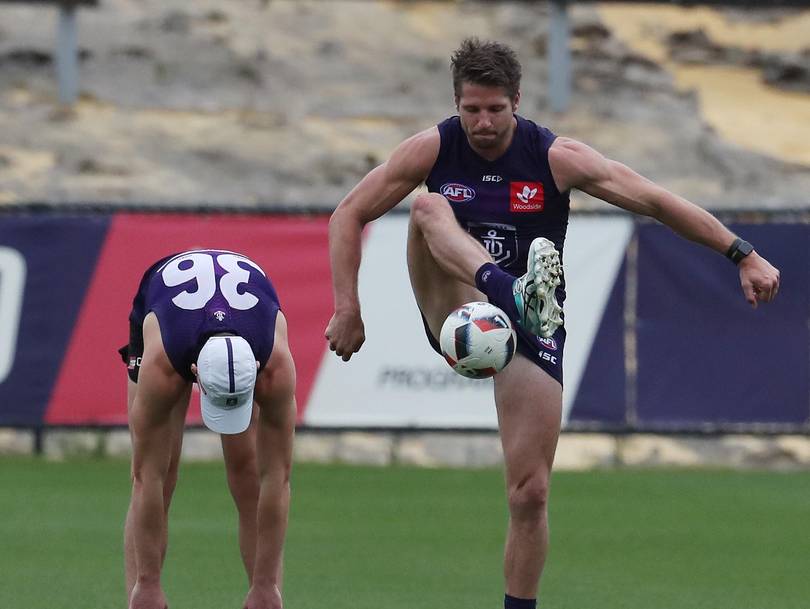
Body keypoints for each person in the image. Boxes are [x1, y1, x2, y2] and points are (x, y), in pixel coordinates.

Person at [324, 38, 780, 609]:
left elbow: (655, 201)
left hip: (530, 323)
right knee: (426, 207)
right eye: (471, 110)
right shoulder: (432, 150)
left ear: (517, 100)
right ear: (456, 104)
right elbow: (348, 213)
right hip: (457, 304)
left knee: (531, 493)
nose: (484, 122)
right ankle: (503, 288)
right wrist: (347, 307)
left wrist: (743, 253)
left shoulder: (555, 157)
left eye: (496, 109)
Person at [120, 249, 296, 609]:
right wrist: (148, 584)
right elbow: (144, 478)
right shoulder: (162, 364)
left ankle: (266, 597)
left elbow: (277, 479)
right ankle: (141, 596)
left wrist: (266, 586)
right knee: (161, 473)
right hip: (166, 305)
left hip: (241, 309)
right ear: (196, 373)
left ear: (258, 370)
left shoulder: (276, 366)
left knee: (249, 474)